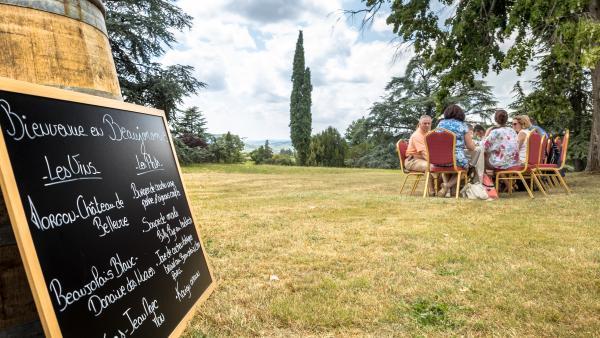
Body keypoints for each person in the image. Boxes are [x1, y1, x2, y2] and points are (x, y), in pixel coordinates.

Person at [436, 104, 485, 196]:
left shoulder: (440, 124)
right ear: (460, 114)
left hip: (439, 159)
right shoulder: (462, 125)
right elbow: (471, 147)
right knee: (466, 168)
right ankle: (447, 186)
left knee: (448, 168)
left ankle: (452, 192)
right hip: (455, 158)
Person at [405, 115, 436, 194]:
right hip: (412, 160)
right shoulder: (417, 135)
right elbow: (424, 153)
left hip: (422, 158)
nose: (427, 125)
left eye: (429, 123)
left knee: (442, 166)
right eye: (424, 123)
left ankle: (441, 189)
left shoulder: (428, 133)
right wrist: (437, 162)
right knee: (431, 166)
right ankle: (432, 191)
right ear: (419, 124)